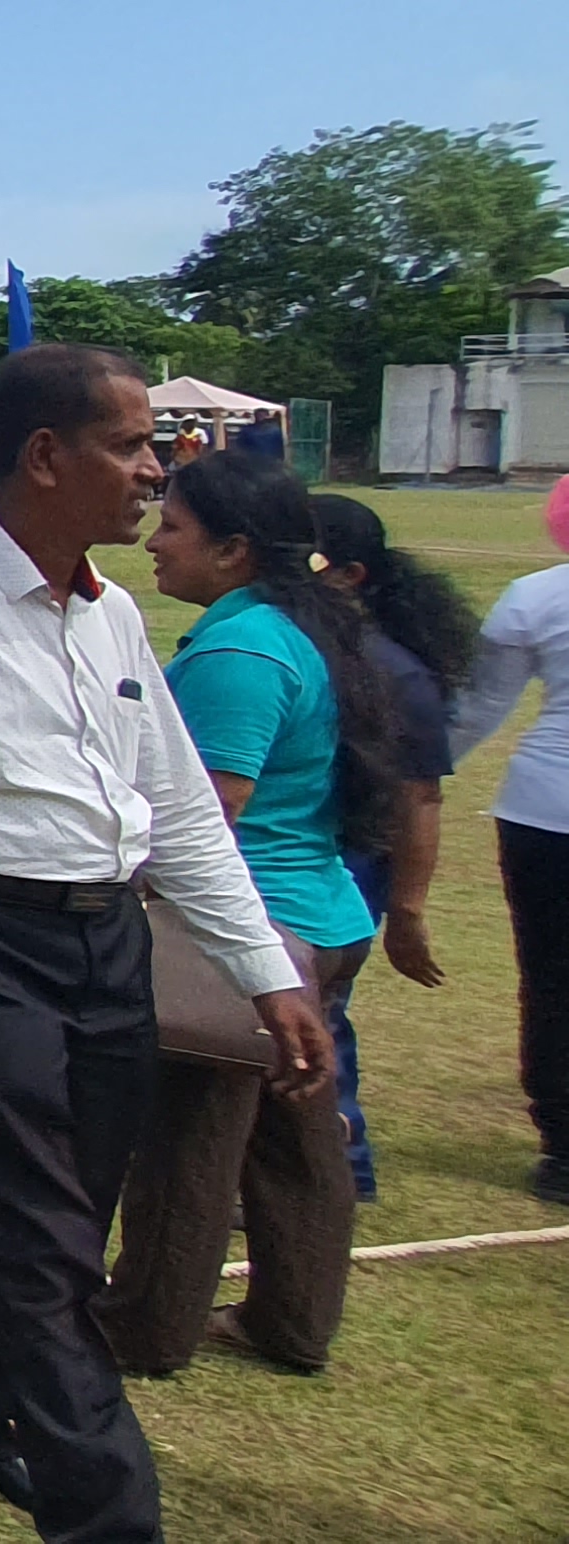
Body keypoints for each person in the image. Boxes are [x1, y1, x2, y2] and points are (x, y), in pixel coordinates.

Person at [0, 343, 333, 1534]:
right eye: (131, 446)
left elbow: (178, 810)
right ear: (45, 455)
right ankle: (109, 1512)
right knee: (44, 1247)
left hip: (106, 941)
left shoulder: (113, 614)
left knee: (48, 1209)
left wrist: (264, 974)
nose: (156, 471)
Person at [103, 453, 395, 1380]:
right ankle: (292, 1320)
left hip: (246, 932)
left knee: (189, 1141)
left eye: (173, 527)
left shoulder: (240, 653)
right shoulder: (298, 629)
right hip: (315, 913)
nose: (155, 543)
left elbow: (208, 813)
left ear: (233, 549)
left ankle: (144, 1327)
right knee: (294, 1134)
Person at [308, 493, 463, 1198]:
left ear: (349, 576)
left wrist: (408, 909)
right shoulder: (307, 649)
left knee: (315, 1007)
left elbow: (419, 797)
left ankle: (341, 1165)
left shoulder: (391, 674)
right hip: (322, 859)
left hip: (347, 864)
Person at [452, 475, 569, 1208]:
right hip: (543, 808)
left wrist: (414, 778)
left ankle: (562, 1146)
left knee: (551, 979)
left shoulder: (533, 597)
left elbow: (477, 708)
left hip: (543, 808)